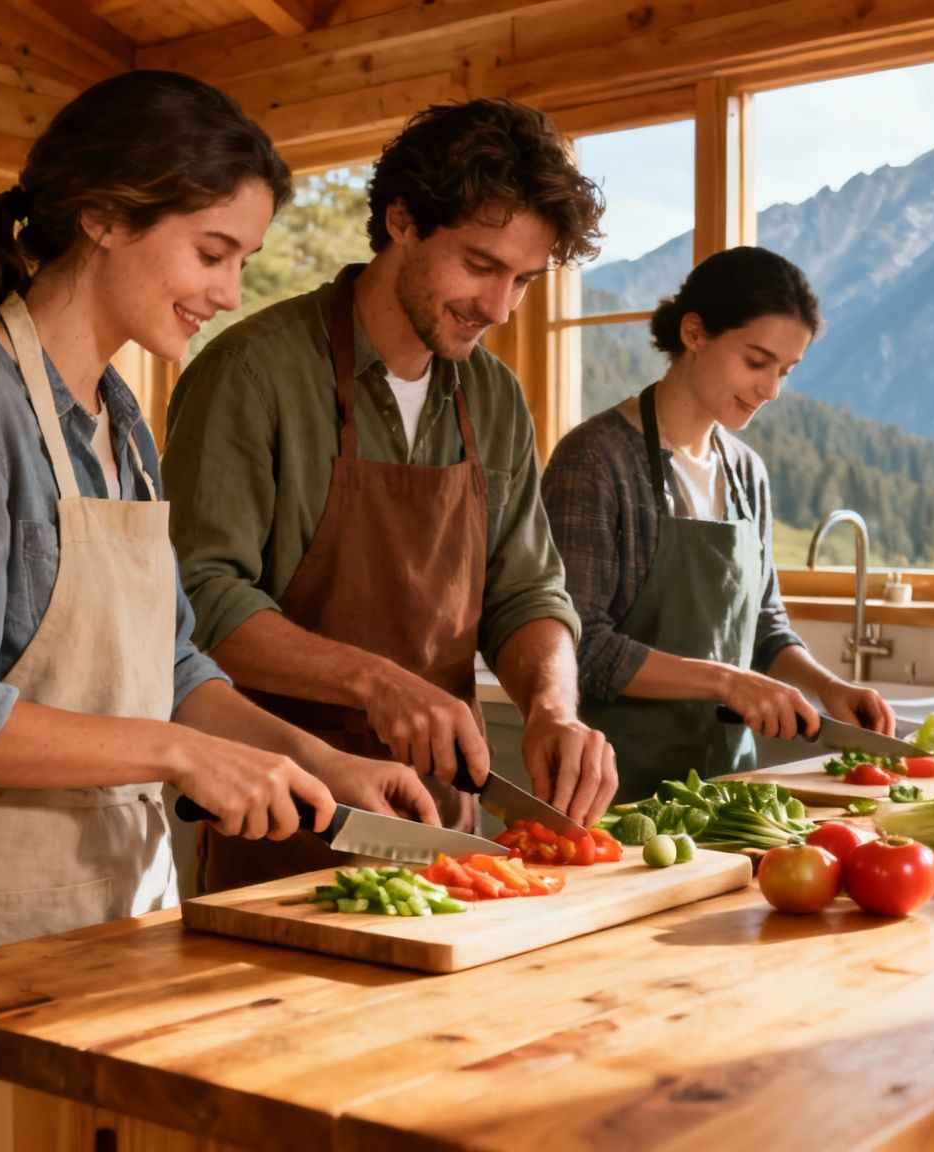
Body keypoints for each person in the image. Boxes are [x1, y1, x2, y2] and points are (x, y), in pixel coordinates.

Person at [0, 70, 435, 1151]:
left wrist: (317, 764)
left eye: (241, 258)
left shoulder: (120, 421)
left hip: (113, 922)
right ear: (101, 216)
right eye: (211, 251)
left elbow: (176, 670)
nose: (230, 291)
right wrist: (177, 760)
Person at [161, 98, 618, 892]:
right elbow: (198, 600)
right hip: (285, 818)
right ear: (402, 220)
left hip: (445, 830)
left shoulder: (496, 397)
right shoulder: (253, 374)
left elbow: (527, 592)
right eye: (480, 266)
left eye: (524, 279)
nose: (501, 307)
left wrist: (553, 706)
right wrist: (377, 683)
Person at [541, 246, 894, 803]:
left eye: (785, 371)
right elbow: (580, 648)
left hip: (729, 788)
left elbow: (763, 626)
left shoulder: (747, 472)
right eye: (757, 362)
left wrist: (829, 688)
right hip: (617, 790)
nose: (771, 390)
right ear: (695, 333)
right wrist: (727, 681)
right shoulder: (595, 459)